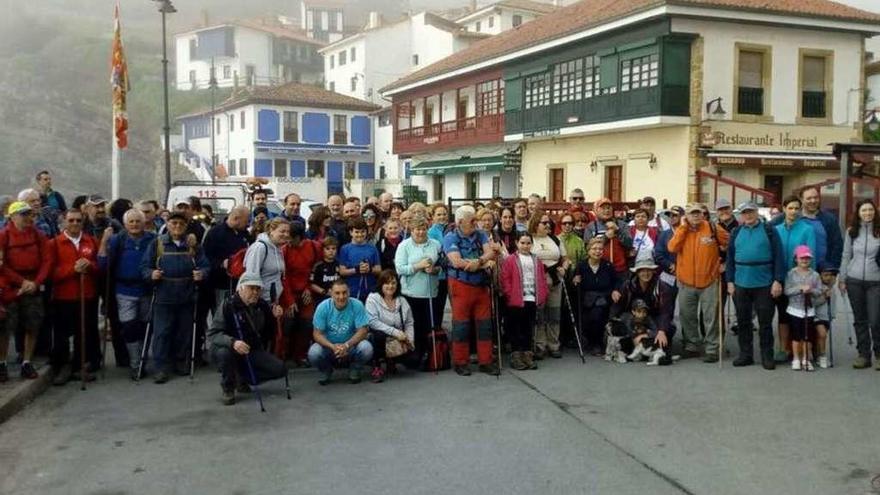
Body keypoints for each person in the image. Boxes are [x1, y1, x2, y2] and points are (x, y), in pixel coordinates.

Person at [141, 212, 209, 383]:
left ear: (186, 226)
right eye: (174, 223)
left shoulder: (194, 246)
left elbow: (205, 265)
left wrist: (202, 273)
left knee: (184, 333)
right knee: (162, 333)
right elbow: (144, 267)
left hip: (187, 296)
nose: (177, 226)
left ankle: (181, 362)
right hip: (163, 296)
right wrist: (151, 273)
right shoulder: (157, 244)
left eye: (180, 223)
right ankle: (161, 368)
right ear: (168, 224)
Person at [208, 273, 287, 405]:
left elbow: (269, 334)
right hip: (228, 348)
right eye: (252, 288)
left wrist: (274, 318)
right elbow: (213, 334)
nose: (255, 292)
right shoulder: (228, 305)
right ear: (241, 288)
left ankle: (243, 376)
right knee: (225, 354)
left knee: (280, 369)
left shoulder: (261, 305)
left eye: (258, 289)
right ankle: (228, 387)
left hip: (251, 349)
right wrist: (232, 342)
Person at [99, 209, 158, 380]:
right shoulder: (119, 239)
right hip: (124, 291)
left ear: (144, 222)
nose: (134, 224)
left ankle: (141, 361)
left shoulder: (153, 239)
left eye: (137, 221)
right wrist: (104, 241)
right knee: (130, 327)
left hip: (147, 290)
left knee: (145, 327)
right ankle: (135, 364)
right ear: (125, 224)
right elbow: (103, 264)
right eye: (131, 221)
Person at [726, 201, 786, 370]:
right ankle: (746, 355)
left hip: (764, 283)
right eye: (745, 212)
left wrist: (777, 281)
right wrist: (729, 281)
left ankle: (767, 355)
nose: (748, 215)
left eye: (751, 211)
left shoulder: (769, 230)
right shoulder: (736, 232)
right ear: (741, 215)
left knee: (765, 323)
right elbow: (730, 259)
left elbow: (779, 257)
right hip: (741, 283)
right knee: (743, 322)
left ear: (756, 212)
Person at [667, 203, 728, 362]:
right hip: (686, 282)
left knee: (711, 317)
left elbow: (730, 243)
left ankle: (712, 349)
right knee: (687, 316)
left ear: (703, 214)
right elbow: (672, 248)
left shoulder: (713, 228)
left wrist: (725, 262)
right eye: (691, 213)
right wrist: (682, 228)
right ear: (685, 216)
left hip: (709, 280)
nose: (695, 216)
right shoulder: (682, 230)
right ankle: (692, 346)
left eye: (698, 213)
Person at [442, 205, 499, 376]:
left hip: (481, 284)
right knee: (461, 325)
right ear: (460, 222)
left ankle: (486, 361)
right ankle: (460, 362)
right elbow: (455, 261)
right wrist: (479, 263)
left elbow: (491, 253)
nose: (477, 223)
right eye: (472, 220)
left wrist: (478, 262)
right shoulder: (450, 238)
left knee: (485, 325)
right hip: (460, 284)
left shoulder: (480, 234)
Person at [48, 209, 100, 385]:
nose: (75, 224)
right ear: (64, 222)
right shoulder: (54, 243)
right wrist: (72, 269)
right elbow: (51, 273)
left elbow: (99, 266)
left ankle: (79, 366)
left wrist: (90, 266)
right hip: (64, 297)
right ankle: (62, 367)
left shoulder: (91, 241)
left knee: (83, 333)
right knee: (62, 335)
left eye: (78, 220)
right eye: (71, 220)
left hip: (87, 295)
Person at [1, 201, 51, 380]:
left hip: (33, 286)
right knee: (5, 327)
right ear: (12, 216)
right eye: (24, 214)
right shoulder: (3, 236)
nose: (29, 218)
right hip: (11, 286)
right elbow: (2, 265)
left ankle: (27, 362)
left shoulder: (39, 235)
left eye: (30, 214)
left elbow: (47, 261)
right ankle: (2, 363)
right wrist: (21, 281)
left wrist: (36, 283)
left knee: (33, 325)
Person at [774, 195, 817, 361]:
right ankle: (784, 349)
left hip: (800, 281)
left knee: (801, 316)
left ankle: (804, 350)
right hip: (780, 279)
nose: (793, 211)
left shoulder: (807, 229)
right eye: (790, 208)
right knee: (783, 315)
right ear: (784, 209)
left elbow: (811, 255)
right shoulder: (777, 230)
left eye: (796, 208)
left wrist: (809, 281)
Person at [394, 214, 441, 366]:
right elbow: (400, 268)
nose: (420, 232)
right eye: (416, 230)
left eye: (423, 229)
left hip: (430, 292)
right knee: (413, 326)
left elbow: (442, 266)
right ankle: (412, 356)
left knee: (427, 325)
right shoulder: (404, 246)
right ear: (411, 230)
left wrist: (434, 270)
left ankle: (428, 356)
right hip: (411, 293)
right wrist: (418, 266)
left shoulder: (435, 244)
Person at [839, 199, 880, 369]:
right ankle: (863, 354)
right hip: (854, 280)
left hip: (876, 281)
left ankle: (879, 354)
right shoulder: (851, 232)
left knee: (875, 319)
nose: (867, 213)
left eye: (870, 210)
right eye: (864, 210)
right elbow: (846, 255)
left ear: (875, 212)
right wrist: (842, 278)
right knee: (860, 319)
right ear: (858, 213)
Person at [309, 279, 374, 384]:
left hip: (351, 346)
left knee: (366, 348)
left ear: (349, 292)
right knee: (314, 353)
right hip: (329, 347)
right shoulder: (322, 307)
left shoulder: (357, 305)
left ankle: (355, 369)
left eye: (344, 292)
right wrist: (332, 347)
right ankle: (326, 370)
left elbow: (363, 331)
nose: (341, 296)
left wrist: (346, 346)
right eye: (337, 293)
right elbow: (317, 334)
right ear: (330, 293)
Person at [500, 232, 548, 370]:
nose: (525, 246)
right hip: (516, 300)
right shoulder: (511, 260)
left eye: (528, 243)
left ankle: (527, 353)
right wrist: (509, 294)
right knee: (516, 328)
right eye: (522, 243)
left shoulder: (536, 260)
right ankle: (516, 355)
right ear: (517, 243)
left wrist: (543, 294)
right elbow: (505, 278)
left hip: (532, 298)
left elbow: (542, 279)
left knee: (528, 328)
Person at [611, 259, 676, 351]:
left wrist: (661, 331)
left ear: (653, 271)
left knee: (669, 328)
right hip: (633, 317)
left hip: (654, 317)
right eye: (642, 270)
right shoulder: (627, 285)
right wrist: (612, 321)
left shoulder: (663, 287)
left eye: (649, 270)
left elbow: (665, 311)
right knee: (622, 321)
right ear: (637, 272)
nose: (646, 273)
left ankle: (652, 340)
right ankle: (633, 341)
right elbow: (618, 306)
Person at [528, 210, 569, 359]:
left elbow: (565, 258)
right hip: (537, 280)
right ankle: (540, 345)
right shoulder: (530, 239)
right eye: (543, 223)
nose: (547, 225)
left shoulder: (556, 240)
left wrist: (564, 267)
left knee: (554, 313)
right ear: (535, 224)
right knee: (539, 314)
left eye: (548, 223)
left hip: (555, 279)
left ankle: (554, 344)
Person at [280, 223, 321, 365]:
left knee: (306, 324)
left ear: (298, 237)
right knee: (287, 324)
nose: (287, 241)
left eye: (290, 238)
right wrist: (289, 300)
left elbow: (317, 269)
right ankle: (282, 355)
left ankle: (301, 355)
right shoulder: (284, 250)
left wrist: (309, 288)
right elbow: (283, 276)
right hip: (289, 292)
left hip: (306, 291)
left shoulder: (314, 247)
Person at [573, 238, 621, 355]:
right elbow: (574, 287)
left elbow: (617, 281)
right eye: (594, 249)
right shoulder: (581, 266)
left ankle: (597, 343)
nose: (597, 251)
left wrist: (615, 290)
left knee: (597, 313)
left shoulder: (608, 265)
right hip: (586, 299)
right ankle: (589, 340)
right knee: (588, 315)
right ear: (588, 251)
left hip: (604, 298)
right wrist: (575, 281)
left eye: (600, 249)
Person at [365, 270, 415, 382]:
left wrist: (410, 340)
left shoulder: (402, 301)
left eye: (393, 283)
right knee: (378, 336)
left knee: (413, 360)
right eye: (386, 283)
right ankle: (376, 366)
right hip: (380, 336)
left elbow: (409, 323)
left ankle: (391, 360)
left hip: (398, 339)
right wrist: (395, 332)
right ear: (381, 284)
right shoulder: (373, 299)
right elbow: (372, 322)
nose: (390, 286)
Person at [202, 205, 250, 308]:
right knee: (222, 312)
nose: (247, 224)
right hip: (220, 283)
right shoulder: (215, 233)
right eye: (245, 221)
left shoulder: (245, 234)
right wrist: (220, 264)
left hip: (240, 283)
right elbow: (205, 257)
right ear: (236, 218)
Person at [784, 245, 823, 371]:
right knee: (796, 335)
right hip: (795, 309)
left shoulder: (815, 275)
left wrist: (811, 290)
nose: (805, 261)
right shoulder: (791, 274)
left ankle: (806, 359)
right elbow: (787, 291)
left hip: (809, 310)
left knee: (807, 335)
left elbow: (819, 291)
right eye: (802, 258)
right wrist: (800, 288)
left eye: (807, 258)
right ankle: (796, 358)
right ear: (796, 259)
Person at [243, 218, 288, 306]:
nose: (286, 234)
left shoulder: (278, 248)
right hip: (259, 302)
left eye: (288, 232)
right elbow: (251, 276)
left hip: (272, 301)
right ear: (271, 230)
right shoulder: (260, 247)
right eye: (282, 231)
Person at [584, 197, 631, 275]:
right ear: (596, 210)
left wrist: (618, 231)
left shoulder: (622, 225)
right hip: (599, 269)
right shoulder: (591, 227)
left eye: (608, 208)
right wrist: (605, 237)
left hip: (619, 269)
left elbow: (629, 244)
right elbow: (587, 247)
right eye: (603, 208)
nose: (607, 210)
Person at [310, 237, 340, 307]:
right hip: (321, 300)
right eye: (328, 249)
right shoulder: (318, 266)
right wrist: (324, 292)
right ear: (322, 250)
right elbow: (312, 284)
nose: (331, 251)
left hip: (337, 299)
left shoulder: (339, 265)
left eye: (333, 248)